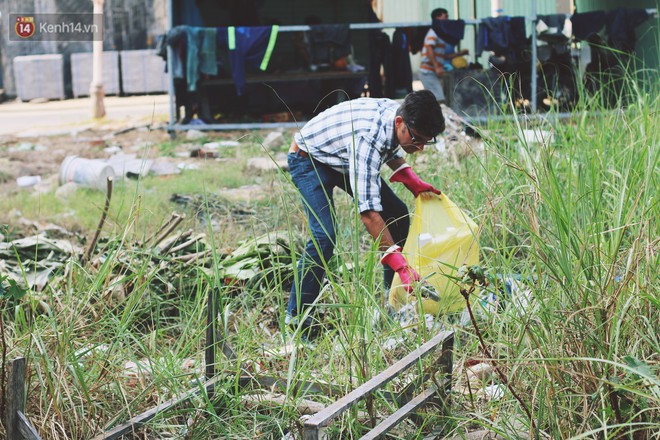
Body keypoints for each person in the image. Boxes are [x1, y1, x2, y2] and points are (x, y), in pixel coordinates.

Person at [286, 90, 445, 340]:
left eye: (427, 141)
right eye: (418, 139)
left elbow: (390, 148)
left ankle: (391, 301)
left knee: (398, 213)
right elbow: (369, 213)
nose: (421, 148)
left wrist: (409, 178)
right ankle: (297, 320)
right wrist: (400, 263)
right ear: (400, 123)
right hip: (308, 159)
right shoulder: (367, 140)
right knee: (324, 236)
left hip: (340, 157)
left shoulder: (396, 116)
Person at [420, 8, 469, 103]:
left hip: (432, 72)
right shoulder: (433, 32)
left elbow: (444, 56)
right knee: (439, 99)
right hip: (428, 72)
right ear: (437, 18)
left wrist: (460, 54)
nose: (447, 19)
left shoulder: (439, 35)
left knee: (437, 99)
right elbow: (429, 48)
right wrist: (437, 66)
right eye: (445, 16)